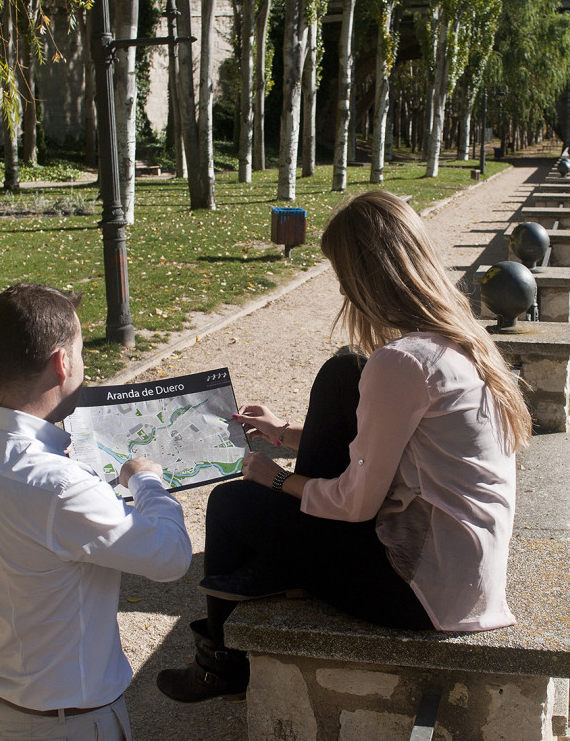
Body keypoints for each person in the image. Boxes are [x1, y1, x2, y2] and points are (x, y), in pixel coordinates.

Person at [156, 190, 533, 703]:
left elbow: (356, 503)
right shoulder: (458, 341)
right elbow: (384, 445)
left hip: (421, 594)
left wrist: (276, 478)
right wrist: (286, 433)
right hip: (461, 573)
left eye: (342, 276)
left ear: (366, 278)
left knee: (230, 503)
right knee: (342, 373)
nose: (341, 291)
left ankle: (221, 666)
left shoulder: (402, 362)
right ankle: (276, 575)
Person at [0, 283, 192, 740]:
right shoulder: (61, 485)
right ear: (62, 362)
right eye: (81, 352)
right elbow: (171, 557)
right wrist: (146, 479)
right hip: (71, 724)